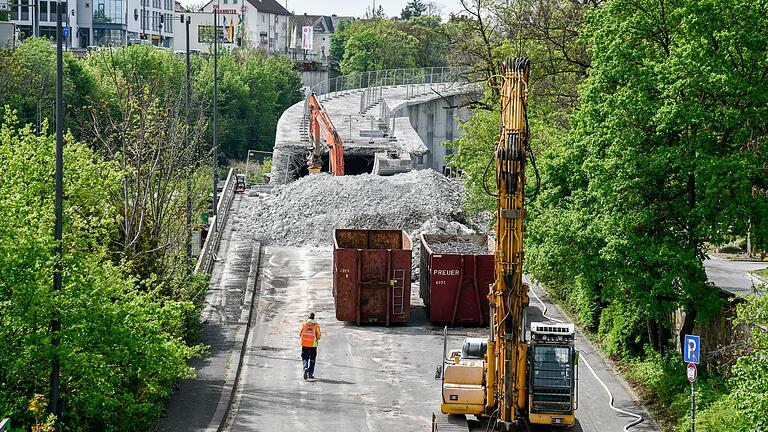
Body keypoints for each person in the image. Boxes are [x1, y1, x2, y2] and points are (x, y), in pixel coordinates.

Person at [299, 312, 321, 380]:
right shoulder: (316, 325)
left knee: (305, 357)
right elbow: (318, 336)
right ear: (313, 318)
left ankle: (305, 367)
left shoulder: (304, 324)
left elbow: (300, 333)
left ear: (308, 318)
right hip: (313, 345)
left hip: (305, 344)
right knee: (312, 359)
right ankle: (310, 373)